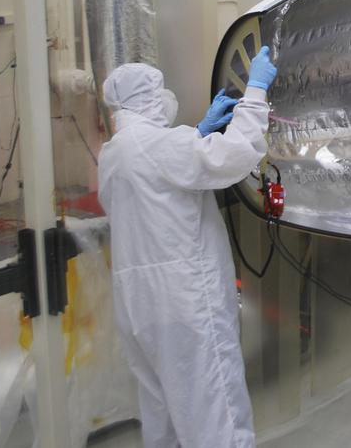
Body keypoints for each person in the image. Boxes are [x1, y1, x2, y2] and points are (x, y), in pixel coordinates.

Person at [98, 47, 279, 448]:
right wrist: (256, 93)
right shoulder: (160, 145)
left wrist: (197, 134)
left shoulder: (113, 155)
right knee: (214, 411)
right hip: (186, 302)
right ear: (148, 99)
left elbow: (160, 179)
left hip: (139, 307)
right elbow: (233, 157)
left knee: (163, 413)